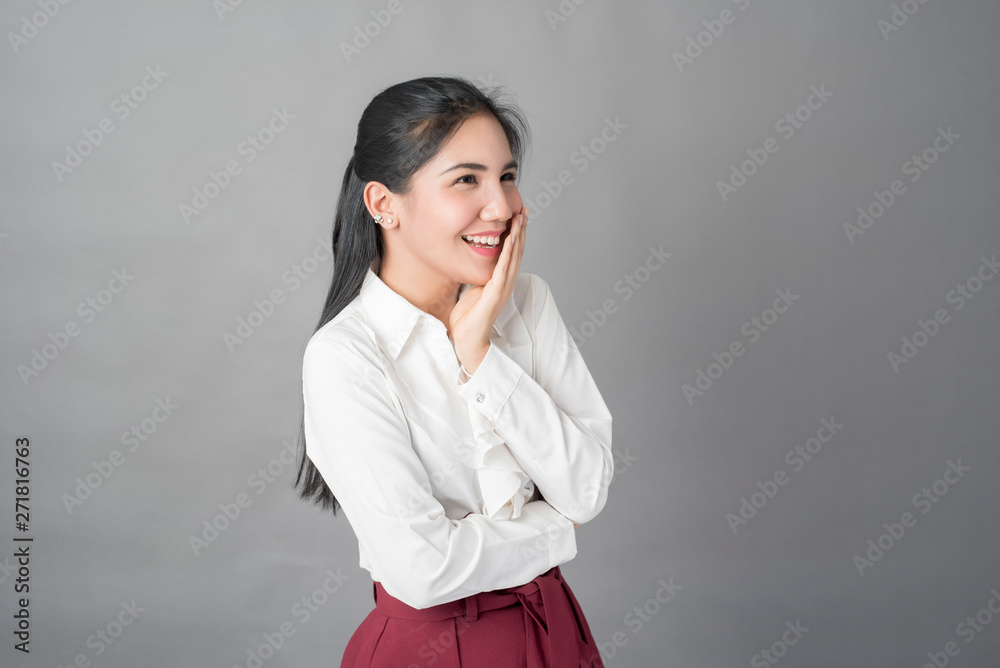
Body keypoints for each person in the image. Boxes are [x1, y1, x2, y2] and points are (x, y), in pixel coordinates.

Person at [295, 75, 614, 667]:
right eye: (467, 179)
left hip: (556, 628)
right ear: (383, 204)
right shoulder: (344, 357)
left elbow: (587, 488)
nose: (503, 206)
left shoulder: (528, 302)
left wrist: (479, 355)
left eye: (507, 177)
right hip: (433, 649)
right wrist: (554, 530)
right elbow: (424, 570)